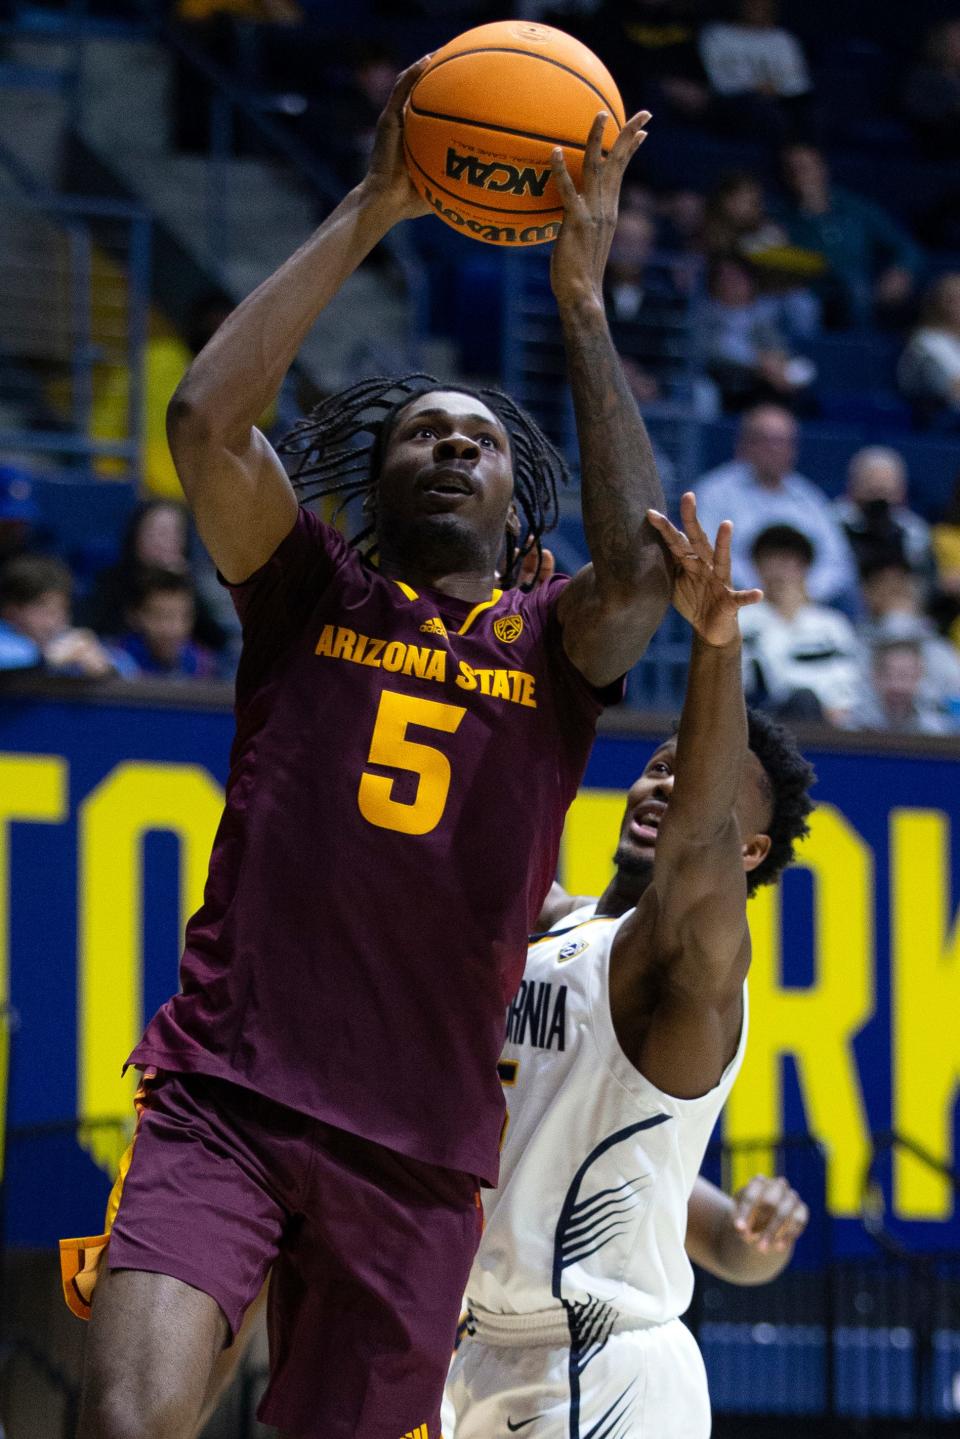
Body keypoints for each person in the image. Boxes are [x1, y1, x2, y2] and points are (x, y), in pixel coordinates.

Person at [62, 66, 673, 1439]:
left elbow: (638, 576)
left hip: (418, 1154)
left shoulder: (551, 651)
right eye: (419, 435)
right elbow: (205, 424)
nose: (450, 447)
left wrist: (581, 295)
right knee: (122, 1424)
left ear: (523, 512)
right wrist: (371, 205)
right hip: (224, 1095)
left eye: (477, 440)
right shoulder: (306, 593)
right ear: (377, 481)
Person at [444, 492, 816, 1438]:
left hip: (603, 1365)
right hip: (472, 1350)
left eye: (694, 781)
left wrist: (716, 644)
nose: (666, 783)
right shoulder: (552, 925)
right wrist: (503, 635)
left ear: (747, 853)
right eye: (657, 764)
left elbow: (697, 837)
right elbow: (478, 807)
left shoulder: (690, 971)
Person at [694, 403, 857, 608]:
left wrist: (806, 592)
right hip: (734, 607)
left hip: (805, 606)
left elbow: (837, 561)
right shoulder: (714, 492)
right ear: (744, 444)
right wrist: (764, 591)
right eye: (766, 440)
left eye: (784, 442)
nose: (775, 449)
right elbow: (705, 555)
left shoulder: (810, 498)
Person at [777, 143, 922, 329]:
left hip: (855, 290)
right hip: (807, 288)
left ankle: (861, 347)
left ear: (822, 169)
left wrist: (902, 271)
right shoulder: (778, 214)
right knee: (797, 302)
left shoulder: (855, 209)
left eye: (804, 168)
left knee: (856, 289)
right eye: (791, 170)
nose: (799, 175)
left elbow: (907, 247)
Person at [740, 525, 866, 725]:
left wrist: (836, 708)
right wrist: (783, 619)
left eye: (788, 563)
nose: (780, 572)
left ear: (805, 568)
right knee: (802, 699)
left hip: (827, 724)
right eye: (771, 562)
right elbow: (745, 683)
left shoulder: (832, 625)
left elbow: (847, 681)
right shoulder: (741, 619)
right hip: (763, 720)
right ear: (757, 567)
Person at [78, 498, 231, 657]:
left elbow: (216, 641)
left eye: (174, 534)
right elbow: (90, 632)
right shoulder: (110, 581)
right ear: (136, 535)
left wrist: (184, 585)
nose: (164, 542)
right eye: (157, 533)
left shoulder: (186, 584)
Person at [0, 554, 134, 679]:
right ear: (12, 611)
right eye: (44, 610)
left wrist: (104, 666)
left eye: (62, 609)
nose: (54, 621)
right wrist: (48, 659)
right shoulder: (6, 640)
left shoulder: (64, 642)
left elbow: (126, 665)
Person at [832, 446, 932, 582]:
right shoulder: (831, 523)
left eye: (886, 492)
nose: (879, 502)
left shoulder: (914, 530)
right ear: (852, 488)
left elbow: (922, 579)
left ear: (901, 493)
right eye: (872, 491)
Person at [115, 568, 220, 679]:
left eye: (184, 616)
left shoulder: (203, 663)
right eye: (161, 617)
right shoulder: (117, 661)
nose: (174, 629)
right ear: (135, 616)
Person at [897, 273, 960, 428]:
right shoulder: (926, 342)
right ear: (938, 303)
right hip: (941, 421)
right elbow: (948, 389)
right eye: (953, 299)